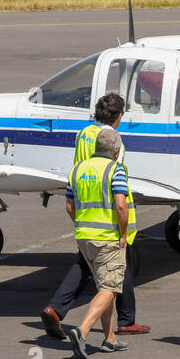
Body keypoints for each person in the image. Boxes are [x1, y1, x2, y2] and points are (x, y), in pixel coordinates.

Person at [41, 94, 148, 338]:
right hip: (108, 213)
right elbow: (113, 174)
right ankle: (122, 321)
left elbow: (79, 168)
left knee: (89, 265)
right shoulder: (113, 140)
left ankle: (58, 310)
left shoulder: (83, 135)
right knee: (116, 269)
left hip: (84, 208)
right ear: (119, 115)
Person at [64, 127, 130, 358]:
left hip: (84, 238)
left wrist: (82, 224)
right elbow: (121, 205)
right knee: (110, 288)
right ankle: (82, 330)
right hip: (108, 239)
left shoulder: (77, 170)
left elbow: (69, 206)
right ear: (115, 151)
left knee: (105, 288)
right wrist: (123, 233)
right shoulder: (115, 170)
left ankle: (110, 338)